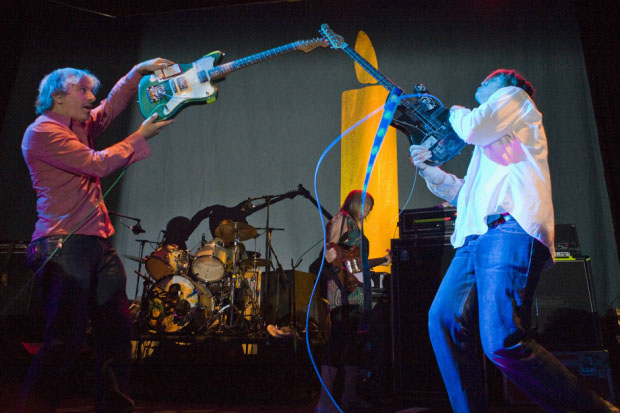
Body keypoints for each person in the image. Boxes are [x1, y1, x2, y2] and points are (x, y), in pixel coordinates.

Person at [410, 69, 619, 412]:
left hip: (508, 227)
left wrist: (452, 111)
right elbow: (469, 194)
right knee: (443, 318)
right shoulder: (496, 142)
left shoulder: (514, 99)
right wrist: (430, 170)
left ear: (508, 85)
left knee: (502, 340)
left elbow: (473, 128)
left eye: (489, 79)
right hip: (478, 236)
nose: (481, 81)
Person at [18, 58, 175, 412]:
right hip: (63, 245)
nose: (92, 97)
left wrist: (137, 72)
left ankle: (115, 407)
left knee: (117, 332)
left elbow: (111, 106)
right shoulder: (43, 131)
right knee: (65, 339)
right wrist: (140, 136)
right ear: (58, 97)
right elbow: (97, 163)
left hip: (96, 244)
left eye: (91, 91)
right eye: (83, 91)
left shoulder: (78, 125)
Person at [315, 190, 391, 413]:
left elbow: (356, 263)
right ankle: (325, 402)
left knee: (351, 347)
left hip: (355, 295)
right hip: (343, 295)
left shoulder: (353, 226)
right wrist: (344, 272)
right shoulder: (342, 220)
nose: (369, 209)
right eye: (367, 204)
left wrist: (382, 261)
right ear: (356, 203)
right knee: (337, 345)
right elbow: (332, 252)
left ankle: (349, 396)